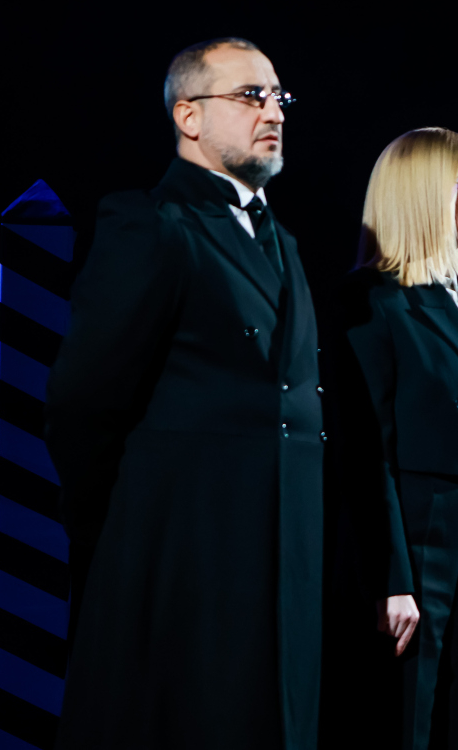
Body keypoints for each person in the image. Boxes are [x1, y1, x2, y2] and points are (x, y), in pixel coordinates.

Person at [45, 38, 323, 747]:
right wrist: (127, 529)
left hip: (279, 557)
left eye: (279, 97)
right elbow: (83, 402)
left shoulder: (283, 242)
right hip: (181, 555)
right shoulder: (151, 224)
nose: (274, 112)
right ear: (188, 116)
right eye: (250, 95)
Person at [335, 127, 458, 750]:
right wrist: (391, 577)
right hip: (414, 531)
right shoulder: (373, 302)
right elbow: (365, 452)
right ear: (421, 193)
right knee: (405, 716)